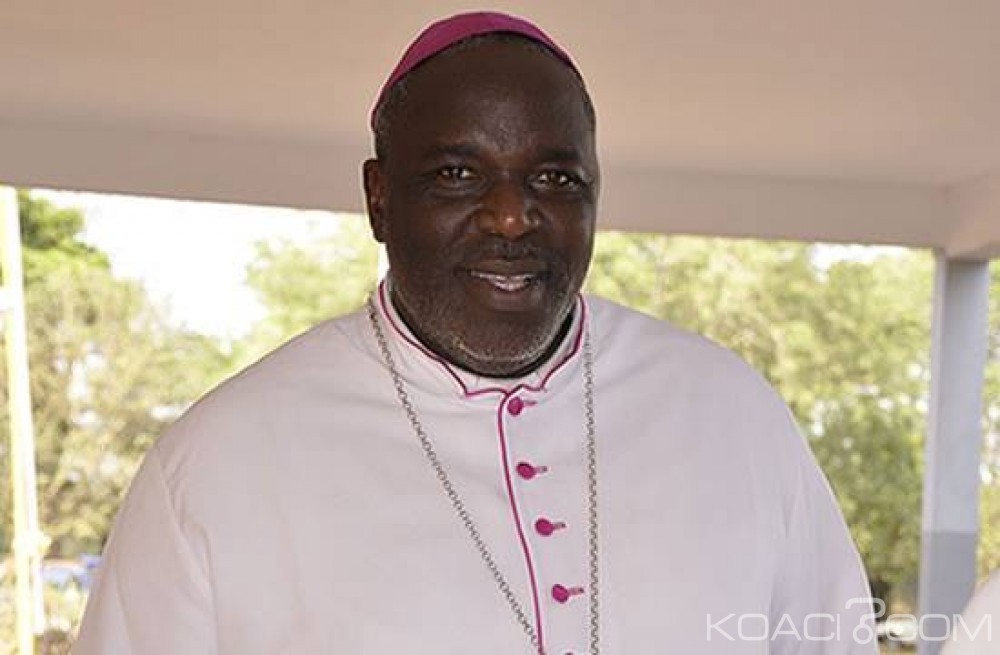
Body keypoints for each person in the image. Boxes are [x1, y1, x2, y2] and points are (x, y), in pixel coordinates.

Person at [74, 11, 876, 654]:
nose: (511, 215)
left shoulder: (731, 414)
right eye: (458, 175)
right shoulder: (217, 463)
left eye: (554, 178)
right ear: (379, 199)